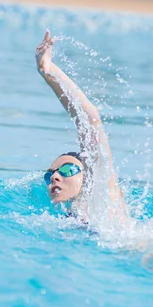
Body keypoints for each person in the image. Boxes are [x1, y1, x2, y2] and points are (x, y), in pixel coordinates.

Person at [36, 30, 124, 223]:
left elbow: (90, 119)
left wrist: (48, 71)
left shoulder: (103, 200)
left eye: (68, 170)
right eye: (49, 174)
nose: (55, 177)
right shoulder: (70, 217)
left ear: (89, 174)